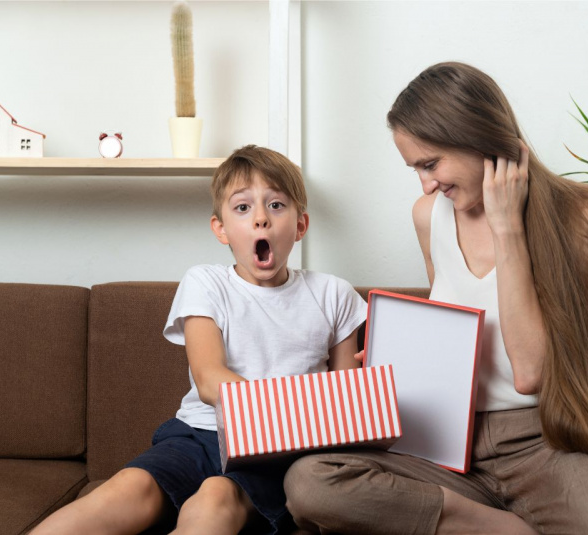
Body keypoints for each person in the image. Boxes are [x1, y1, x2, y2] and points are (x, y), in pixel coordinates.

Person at [283, 62, 588, 535]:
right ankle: (494, 525)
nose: (425, 184)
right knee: (310, 482)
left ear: (477, 138)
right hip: (447, 446)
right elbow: (452, 339)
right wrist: (400, 361)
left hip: (543, 441)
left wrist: (507, 228)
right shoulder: (429, 217)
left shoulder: (586, 215)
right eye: (415, 168)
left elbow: (531, 371)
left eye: (430, 163)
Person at [32, 145, 368, 535]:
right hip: (199, 433)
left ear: (300, 225)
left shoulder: (334, 294)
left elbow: (346, 403)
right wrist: (288, 408)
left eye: (276, 205)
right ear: (220, 228)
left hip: (277, 453)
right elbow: (210, 379)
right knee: (129, 486)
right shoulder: (205, 283)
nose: (261, 219)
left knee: (215, 497)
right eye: (243, 208)